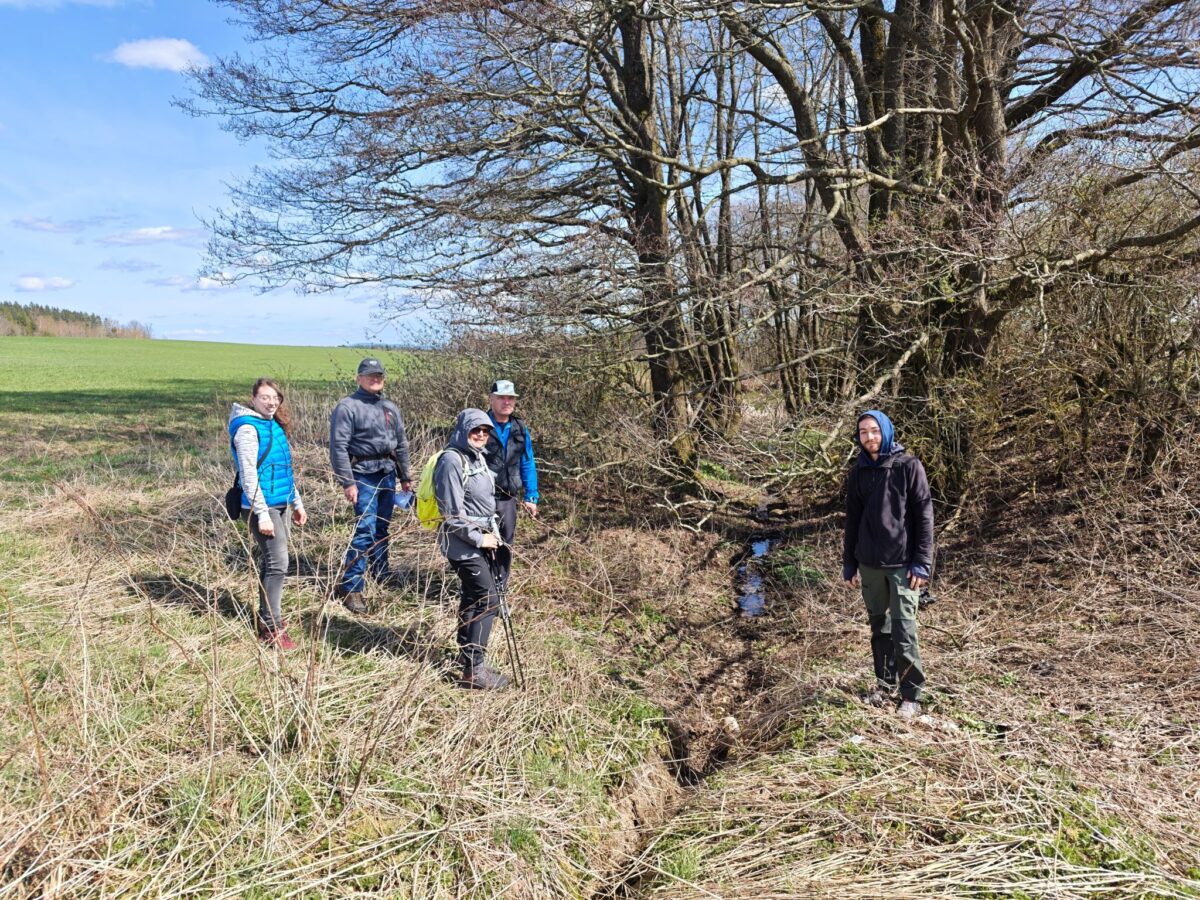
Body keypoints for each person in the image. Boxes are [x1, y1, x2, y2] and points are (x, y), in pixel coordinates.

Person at [842, 409, 934, 718]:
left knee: (903, 629)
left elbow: (924, 516)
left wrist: (922, 563)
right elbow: (852, 521)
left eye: (874, 431)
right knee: (879, 629)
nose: (869, 437)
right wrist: (849, 564)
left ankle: (911, 694)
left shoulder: (909, 466)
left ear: (886, 431)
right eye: (863, 432)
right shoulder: (858, 471)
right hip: (868, 564)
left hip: (902, 566)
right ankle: (884, 685)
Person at [329, 357, 412, 614]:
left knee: (382, 528)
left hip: (387, 472)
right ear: (359, 378)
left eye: (379, 375)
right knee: (364, 529)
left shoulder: (389, 407)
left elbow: (401, 444)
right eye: (370, 375)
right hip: (362, 475)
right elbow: (338, 447)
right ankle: (351, 586)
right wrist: (348, 481)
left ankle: (381, 572)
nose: (375, 379)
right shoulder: (347, 407)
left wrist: (405, 476)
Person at [229, 378, 307, 650]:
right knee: (278, 563)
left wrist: (297, 502)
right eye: (265, 397)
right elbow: (249, 475)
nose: (271, 402)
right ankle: (272, 627)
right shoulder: (248, 429)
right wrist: (262, 513)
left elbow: (284, 469)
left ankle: (266, 618)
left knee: (271, 562)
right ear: (253, 400)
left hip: (282, 502)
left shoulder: (273, 425)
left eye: (275, 397)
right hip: (260, 505)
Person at [435, 409, 510, 690]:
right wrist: (479, 539)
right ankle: (475, 671)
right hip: (462, 545)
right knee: (488, 600)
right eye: (475, 429)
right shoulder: (451, 461)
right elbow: (451, 514)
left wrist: (491, 534)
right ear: (463, 429)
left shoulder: (476, 456)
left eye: (485, 430)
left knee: (472, 595)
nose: (480, 435)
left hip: (482, 538)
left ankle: (466, 655)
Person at [481, 379, 539, 591]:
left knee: (505, 543)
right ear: (491, 399)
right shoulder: (479, 425)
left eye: (510, 398)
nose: (506, 402)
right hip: (481, 497)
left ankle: (500, 589)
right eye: (501, 397)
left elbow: (527, 462)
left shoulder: (520, 428)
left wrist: (531, 496)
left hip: (508, 497)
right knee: (480, 542)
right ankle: (481, 588)